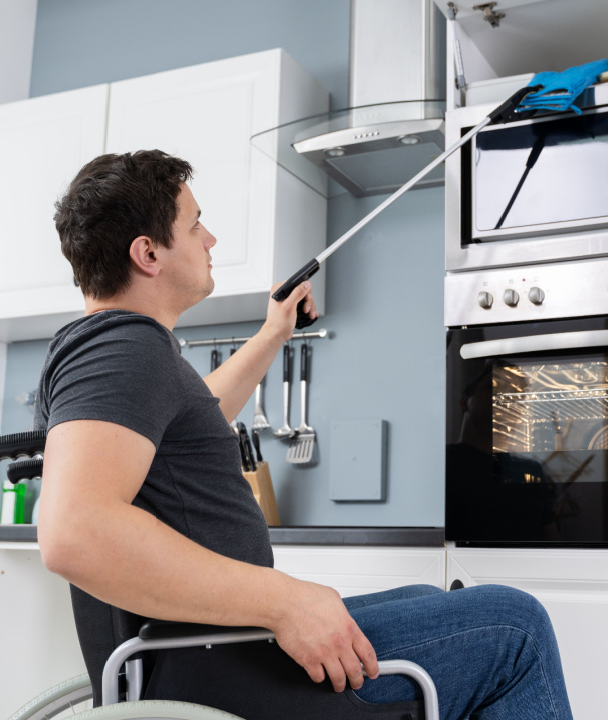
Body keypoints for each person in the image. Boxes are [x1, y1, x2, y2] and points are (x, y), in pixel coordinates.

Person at [34, 149, 573, 720]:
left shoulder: (125, 351)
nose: (210, 238)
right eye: (194, 225)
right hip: (230, 674)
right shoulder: (121, 347)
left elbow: (199, 419)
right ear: (147, 254)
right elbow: (75, 532)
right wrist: (285, 602)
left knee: (427, 601)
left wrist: (274, 332)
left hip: (219, 656)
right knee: (516, 628)